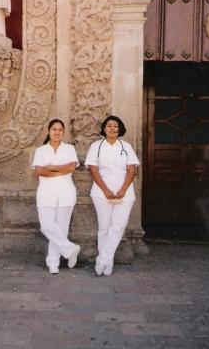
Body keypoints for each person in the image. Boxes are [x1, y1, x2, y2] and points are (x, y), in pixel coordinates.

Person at [85, 115, 140, 276]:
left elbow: (132, 169)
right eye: (109, 125)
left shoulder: (126, 146)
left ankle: (103, 259)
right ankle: (107, 264)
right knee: (104, 227)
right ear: (104, 128)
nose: (112, 128)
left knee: (118, 226)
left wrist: (123, 189)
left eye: (115, 126)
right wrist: (106, 190)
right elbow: (93, 169)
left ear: (120, 129)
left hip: (124, 192)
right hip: (101, 192)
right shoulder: (96, 146)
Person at [32, 119, 81, 274]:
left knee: (61, 229)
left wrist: (52, 168)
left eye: (60, 129)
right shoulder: (41, 150)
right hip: (46, 193)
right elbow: (39, 171)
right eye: (54, 129)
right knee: (46, 226)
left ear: (63, 131)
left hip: (66, 193)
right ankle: (71, 249)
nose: (57, 132)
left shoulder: (69, 149)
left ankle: (53, 263)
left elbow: (72, 167)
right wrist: (62, 170)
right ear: (49, 131)